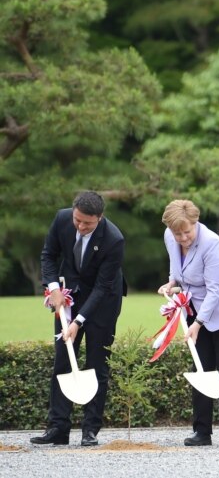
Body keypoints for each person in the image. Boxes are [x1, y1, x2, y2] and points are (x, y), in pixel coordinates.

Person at [157, 200, 219, 447]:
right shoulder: (171, 236)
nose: (182, 237)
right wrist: (171, 282)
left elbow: (215, 290)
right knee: (201, 365)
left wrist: (198, 323)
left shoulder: (212, 243)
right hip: (196, 304)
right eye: (177, 233)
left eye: (187, 231)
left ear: (196, 223)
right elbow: (176, 265)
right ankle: (202, 431)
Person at [31, 191, 126, 447]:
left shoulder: (114, 239)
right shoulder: (62, 219)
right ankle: (58, 427)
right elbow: (48, 255)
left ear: (100, 217)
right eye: (78, 221)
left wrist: (78, 321)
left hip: (103, 301)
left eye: (88, 223)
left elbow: (103, 286)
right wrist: (53, 288)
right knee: (62, 359)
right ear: (73, 212)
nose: (81, 227)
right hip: (68, 296)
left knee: (97, 362)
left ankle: (90, 429)